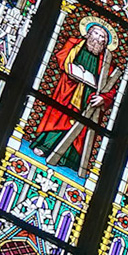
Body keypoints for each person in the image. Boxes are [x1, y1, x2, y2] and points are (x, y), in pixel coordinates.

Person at [28, 15, 116, 170]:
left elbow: (111, 88)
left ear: (105, 42)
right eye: (96, 33)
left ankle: (69, 158)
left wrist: (102, 99)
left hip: (88, 98)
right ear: (88, 33)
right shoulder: (75, 44)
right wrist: (71, 67)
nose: (98, 38)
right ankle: (45, 146)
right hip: (67, 90)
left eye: (102, 36)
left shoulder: (106, 62)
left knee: (80, 128)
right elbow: (61, 57)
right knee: (60, 118)